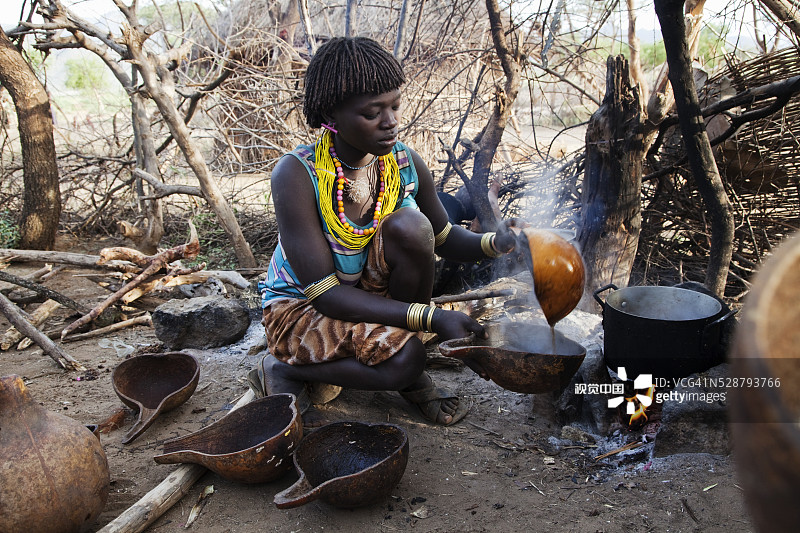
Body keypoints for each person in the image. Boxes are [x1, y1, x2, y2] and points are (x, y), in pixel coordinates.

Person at [251, 36, 518, 428]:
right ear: (331, 115)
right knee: (408, 361)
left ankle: (397, 356)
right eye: (373, 112)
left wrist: (499, 243)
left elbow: (444, 238)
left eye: (394, 105)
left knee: (413, 226)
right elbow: (326, 296)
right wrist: (430, 319)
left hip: (361, 296)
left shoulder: (405, 163)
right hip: (302, 308)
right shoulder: (296, 175)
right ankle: (285, 370)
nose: (391, 121)